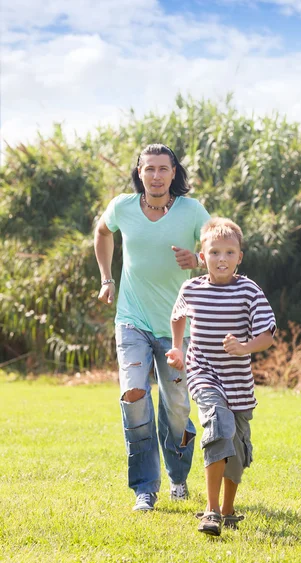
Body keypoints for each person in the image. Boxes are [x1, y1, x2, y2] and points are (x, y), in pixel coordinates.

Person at [94, 143, 210, 512]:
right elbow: (102, 232)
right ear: (139, 172)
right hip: (132, 319)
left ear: (174, 172)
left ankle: (178, 476)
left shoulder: (193, 211)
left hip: (179, 327)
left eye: (163, 168)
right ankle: (145, 488)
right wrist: (106, 279)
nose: (156, 175)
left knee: (177, 407)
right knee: (134, 397)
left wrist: (199, 258)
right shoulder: (123, 207)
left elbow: (224, 250)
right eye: (149, 169)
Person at [166, 217, 276, 536]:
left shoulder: (249, 291)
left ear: (239, 257)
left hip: (238, 382)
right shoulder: (192, 288)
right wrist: (176, 348)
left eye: (229, 252)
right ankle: (211, 511)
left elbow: (267, 334)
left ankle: (228, 510)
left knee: (237, 448)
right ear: (203, 257)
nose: (222, 259)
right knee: (218, 426)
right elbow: (177, 316)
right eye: (214, 252)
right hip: (203, 372)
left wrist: (244, 347)